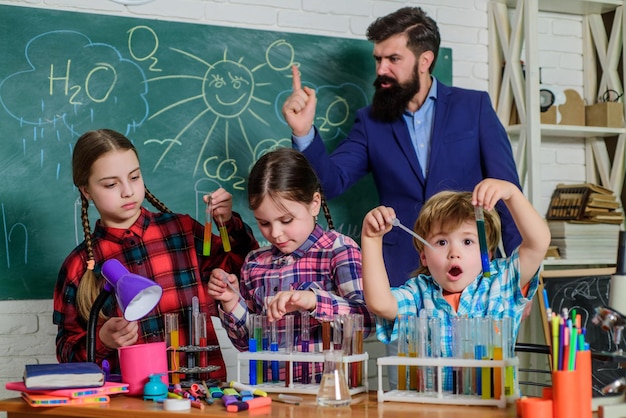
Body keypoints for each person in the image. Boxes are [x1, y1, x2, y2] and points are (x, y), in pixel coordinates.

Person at [282, 6, 522, 288]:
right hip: (402, 273)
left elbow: (507, 193)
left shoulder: (474, 107)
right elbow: (330, 184)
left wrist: (521, 276)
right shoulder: (370, 122)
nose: (381, 69)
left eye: (393, 59)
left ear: (425, 60)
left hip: (471, 268)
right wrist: (303, 131)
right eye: (378, 59)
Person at [53, 129, 259, 382]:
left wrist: (228, 224)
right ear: (86, 191)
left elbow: (247, 271)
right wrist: (102, 340)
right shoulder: (80, 265)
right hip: (128, 401)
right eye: (111, 184)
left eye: (135, 177)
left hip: (202, 393)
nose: (127, 191)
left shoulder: (181, 231)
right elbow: (66, 352)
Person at [360, 178, 550, 390]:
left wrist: (512, 194)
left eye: (467, 242)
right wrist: (371, 239)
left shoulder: (501, 282)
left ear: (486, 255)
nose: (454, 253)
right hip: (431, 411)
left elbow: (538, 243)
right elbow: (379, 302)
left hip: (492, 411)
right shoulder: (419, 293)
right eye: (441, 242)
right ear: (424, 257)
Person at [208, 147, 373, 381]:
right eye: (264, 223)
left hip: (330, 396)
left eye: (286, 220)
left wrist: (314, 301)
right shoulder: (255, 263)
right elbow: (245, 344)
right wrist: (231, 301)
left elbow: (366, 322)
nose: (275, 233)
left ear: (314, 203)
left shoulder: (338, 250)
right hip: (273, 394)